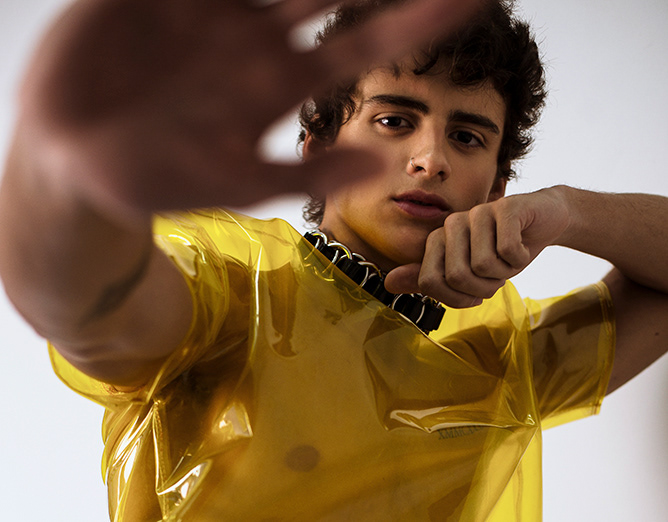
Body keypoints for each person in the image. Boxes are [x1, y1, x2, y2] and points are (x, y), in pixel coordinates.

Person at [0, 0, 666, 520]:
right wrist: (58, 180)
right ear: (319, 149)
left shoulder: (501, 367)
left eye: (466, 136)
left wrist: (567, 210)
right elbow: (86, 305)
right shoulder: (228, 304)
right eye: (394, 120)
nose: (430, 158)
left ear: (496, 188)